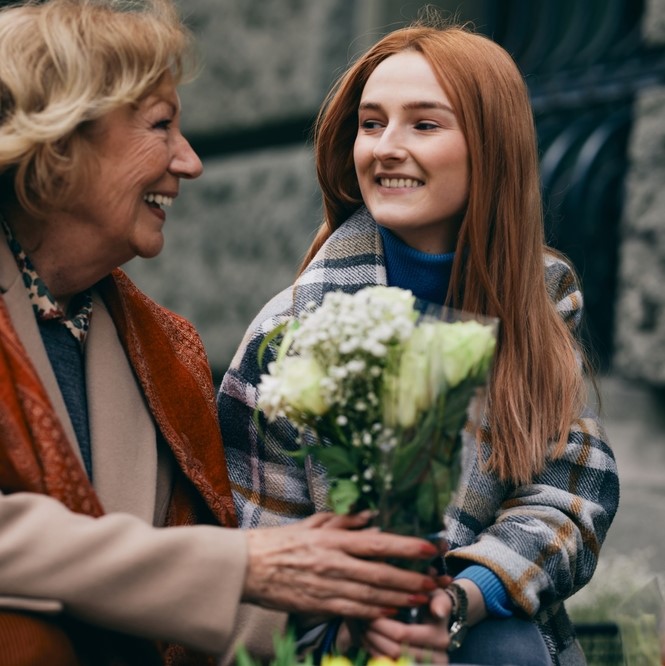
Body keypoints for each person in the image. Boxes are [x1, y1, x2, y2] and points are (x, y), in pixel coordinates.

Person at [0, 2, 445, 665]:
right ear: (59, 137)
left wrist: (340, 615)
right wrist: (241, 563)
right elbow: (209, 567)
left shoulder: (165, 349)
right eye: (160, 126)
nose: (190, 162)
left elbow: (182, 593)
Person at [218, 17, 620, 666]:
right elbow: (253, 540)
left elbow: (570, 492)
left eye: (423, 125)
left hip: (486, 628)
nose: (385, 147)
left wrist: (462, 596)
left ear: (491, 147)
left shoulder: (540, 309)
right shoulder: (291, 332)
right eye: (371, 123)